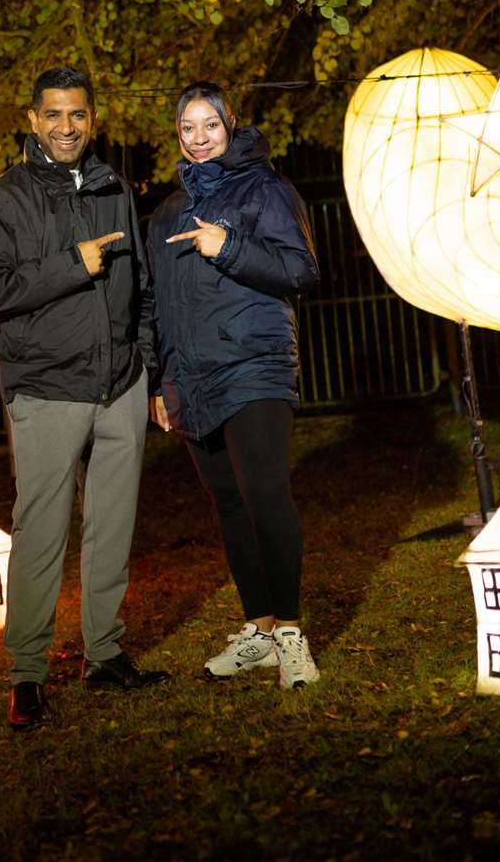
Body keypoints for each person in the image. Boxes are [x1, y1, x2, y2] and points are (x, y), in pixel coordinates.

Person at [0, 65, 168, 730]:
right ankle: (25, 673)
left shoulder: (114, 188)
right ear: (32, 121)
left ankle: (104, 653)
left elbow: (139, 286)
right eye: (52, 115)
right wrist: (68, 266)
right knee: (42, 531)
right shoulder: (6, 197)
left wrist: (144, 364)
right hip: (47, 386)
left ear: (92, 118)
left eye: (76, 115)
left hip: (119, 385)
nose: (65, 127)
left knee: (111, 525)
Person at [146, 81, 322, 688]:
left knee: (265, 494)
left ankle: (293, 634)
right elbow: (160, 303)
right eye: (188, 128)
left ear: (230, 124)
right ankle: (260, 629)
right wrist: (161, 381)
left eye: (209, 126)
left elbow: (300, 269)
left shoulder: (265, 188)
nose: (199, 138)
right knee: (228, 504)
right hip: (193, 378)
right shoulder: (168, 212)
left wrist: (229, 247)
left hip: (254, 364)